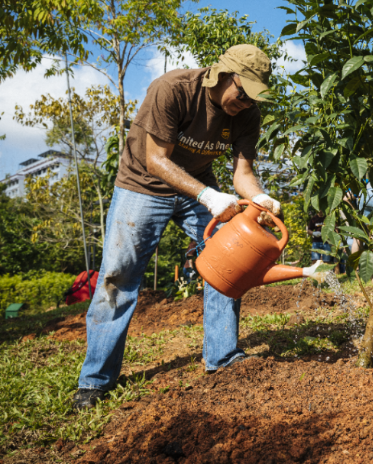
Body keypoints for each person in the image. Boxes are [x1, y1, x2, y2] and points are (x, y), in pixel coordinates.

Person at [72, 45, 289, 411]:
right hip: (142, 185)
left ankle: (222, 358)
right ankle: (95, 381)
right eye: (244, 92)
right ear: (223, 74)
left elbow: (243, 174)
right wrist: (208, 197)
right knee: (117, 276)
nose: (248, 102)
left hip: (199, 187)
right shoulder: (173, 89)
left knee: (228, 264)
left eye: (256, 97)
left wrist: (260, 199)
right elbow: (155, 161)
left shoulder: (248, 116)